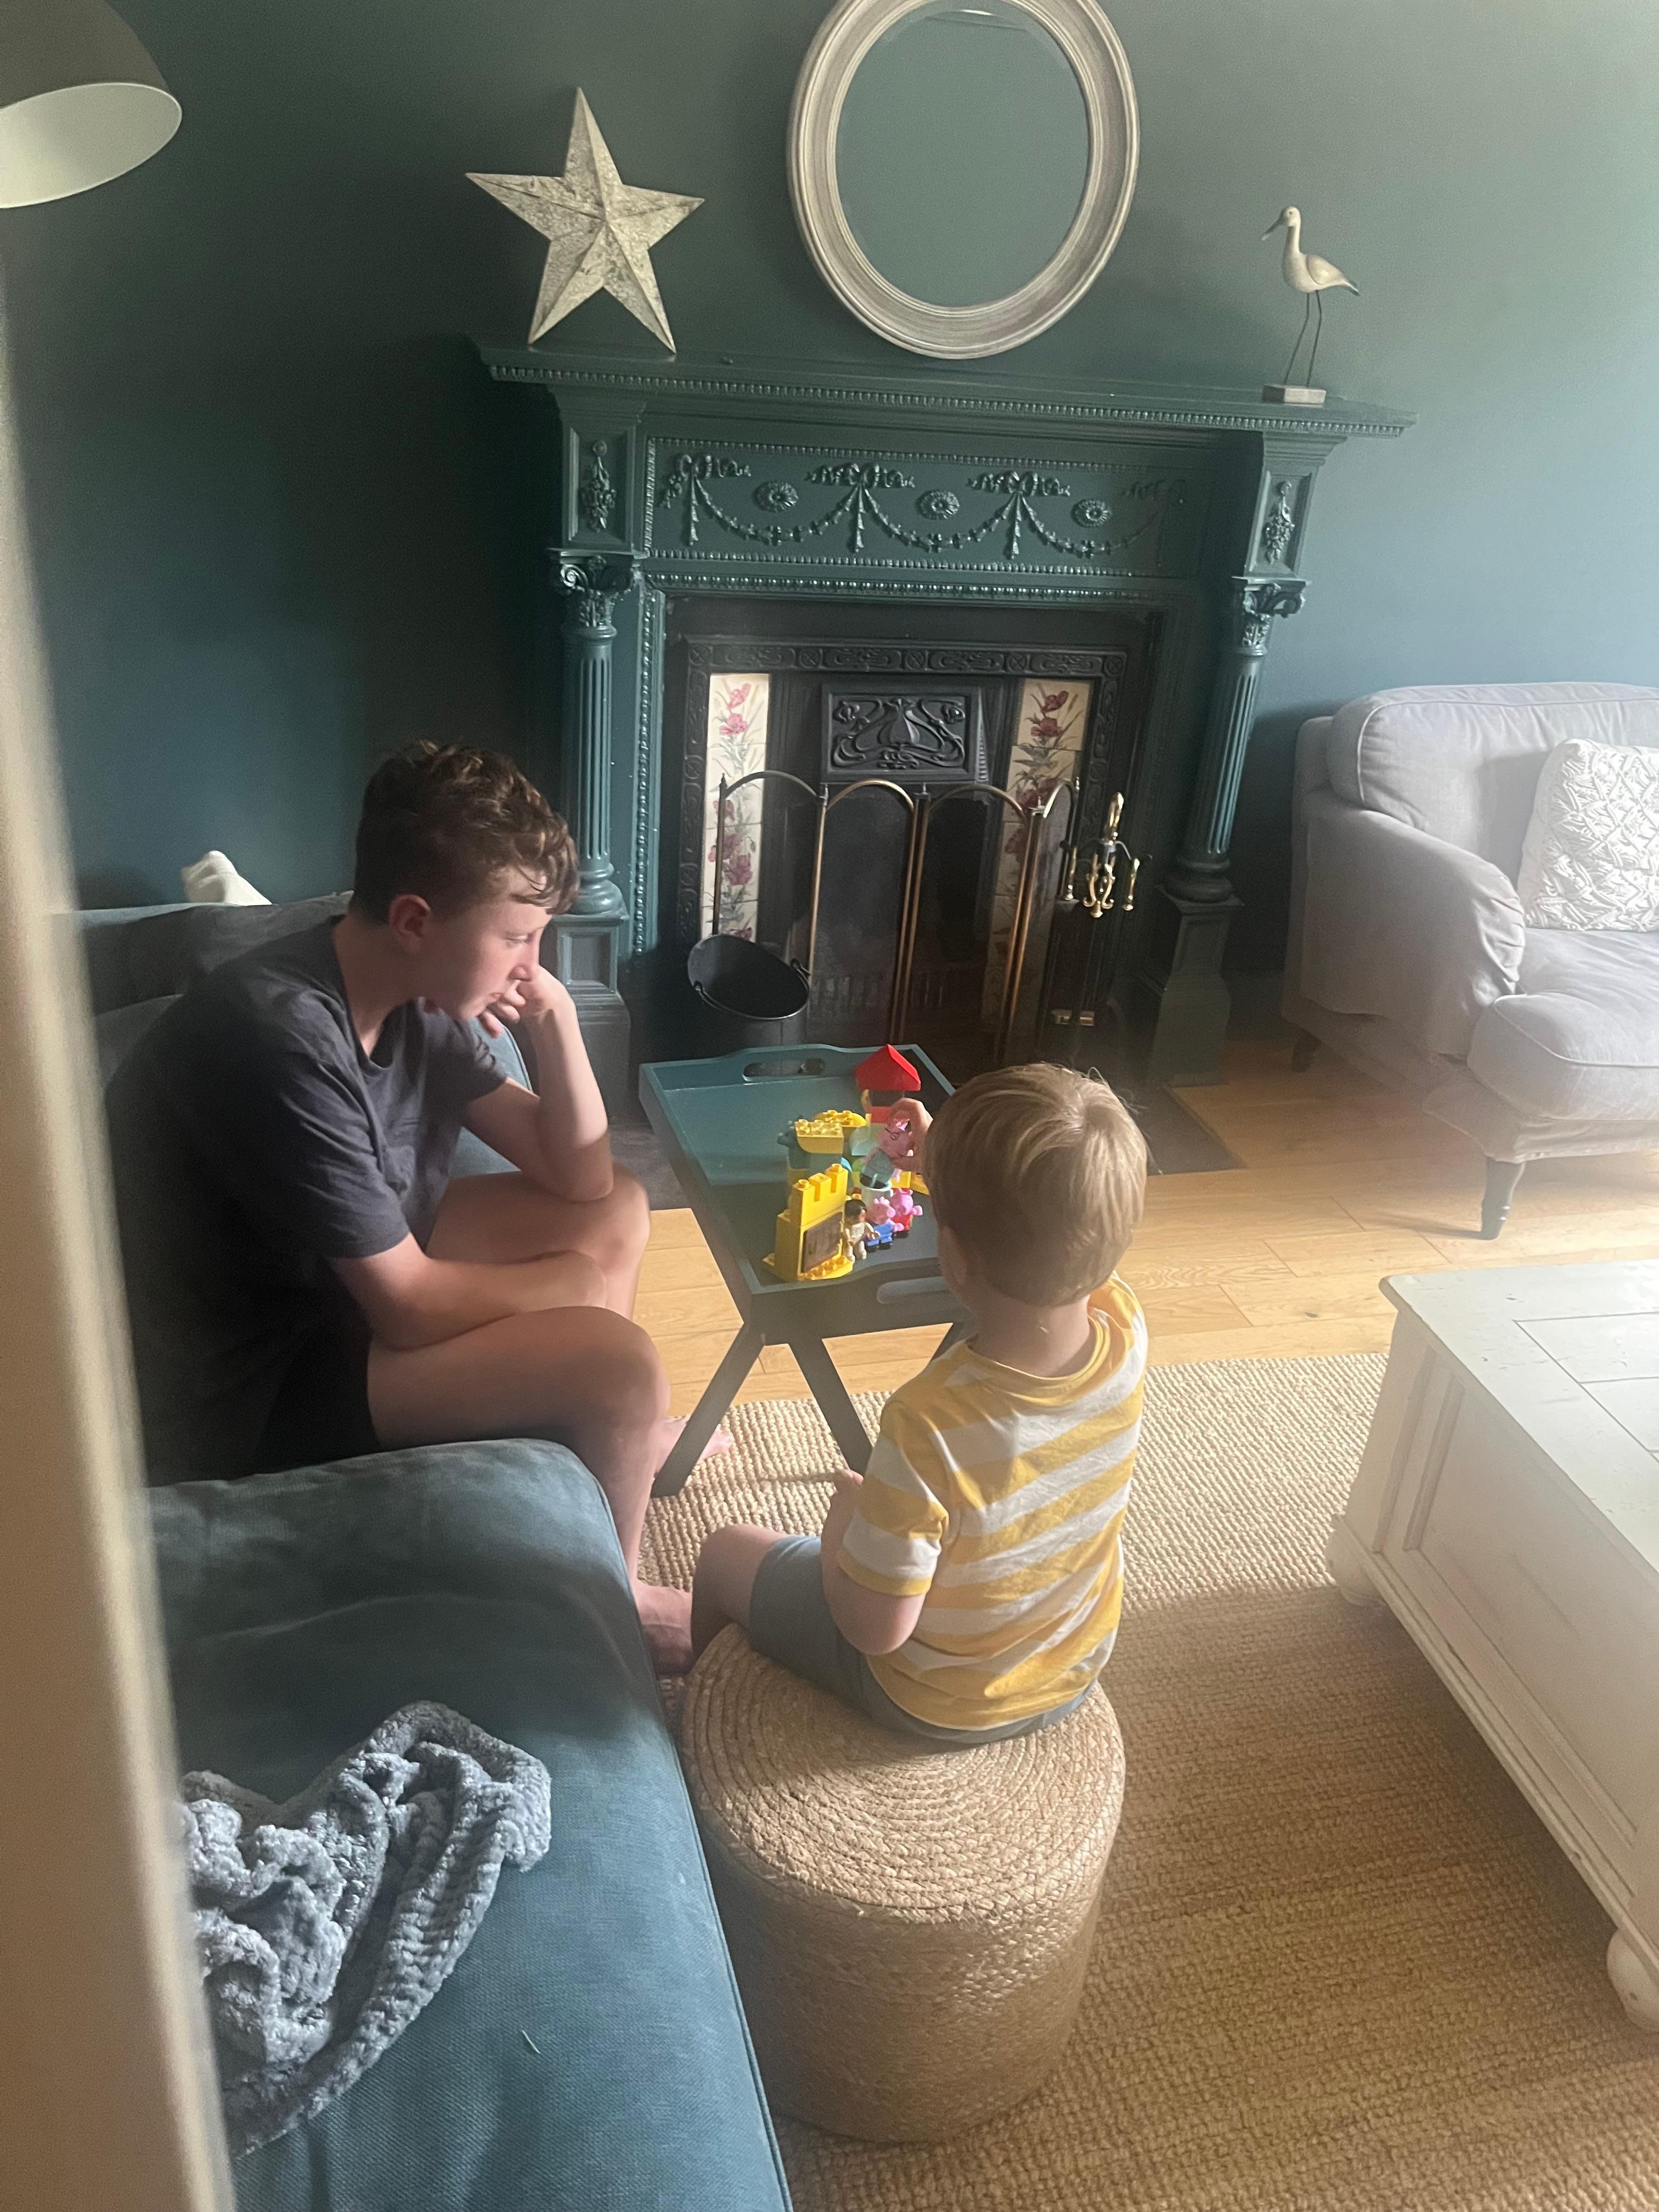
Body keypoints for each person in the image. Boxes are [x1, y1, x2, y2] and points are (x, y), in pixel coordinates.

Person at [106, 743, 695, 1669]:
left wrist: (556, 1022)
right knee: (620, 1364)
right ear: (416, 919)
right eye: (517, 937)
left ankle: (589, 1434)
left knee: (617, 1210)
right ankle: (615, 1593)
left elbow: (581, 1180)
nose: (530, 965)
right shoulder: (281, 1038)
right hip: (248, 1381)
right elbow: (409, 1306)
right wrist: (571, 1292)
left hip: (328, 1282)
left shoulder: (410, 993)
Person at [690, 1062, 1148, 1741]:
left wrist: (843, 1530)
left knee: (725, 1553)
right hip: (1070, 1668)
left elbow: (875, 1629)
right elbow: (1061, 1213)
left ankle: (681, 1707)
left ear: (951, 1257)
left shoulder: (929, 1421)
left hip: (935, 1701)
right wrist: (945, 1163)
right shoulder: (1124, 1324)